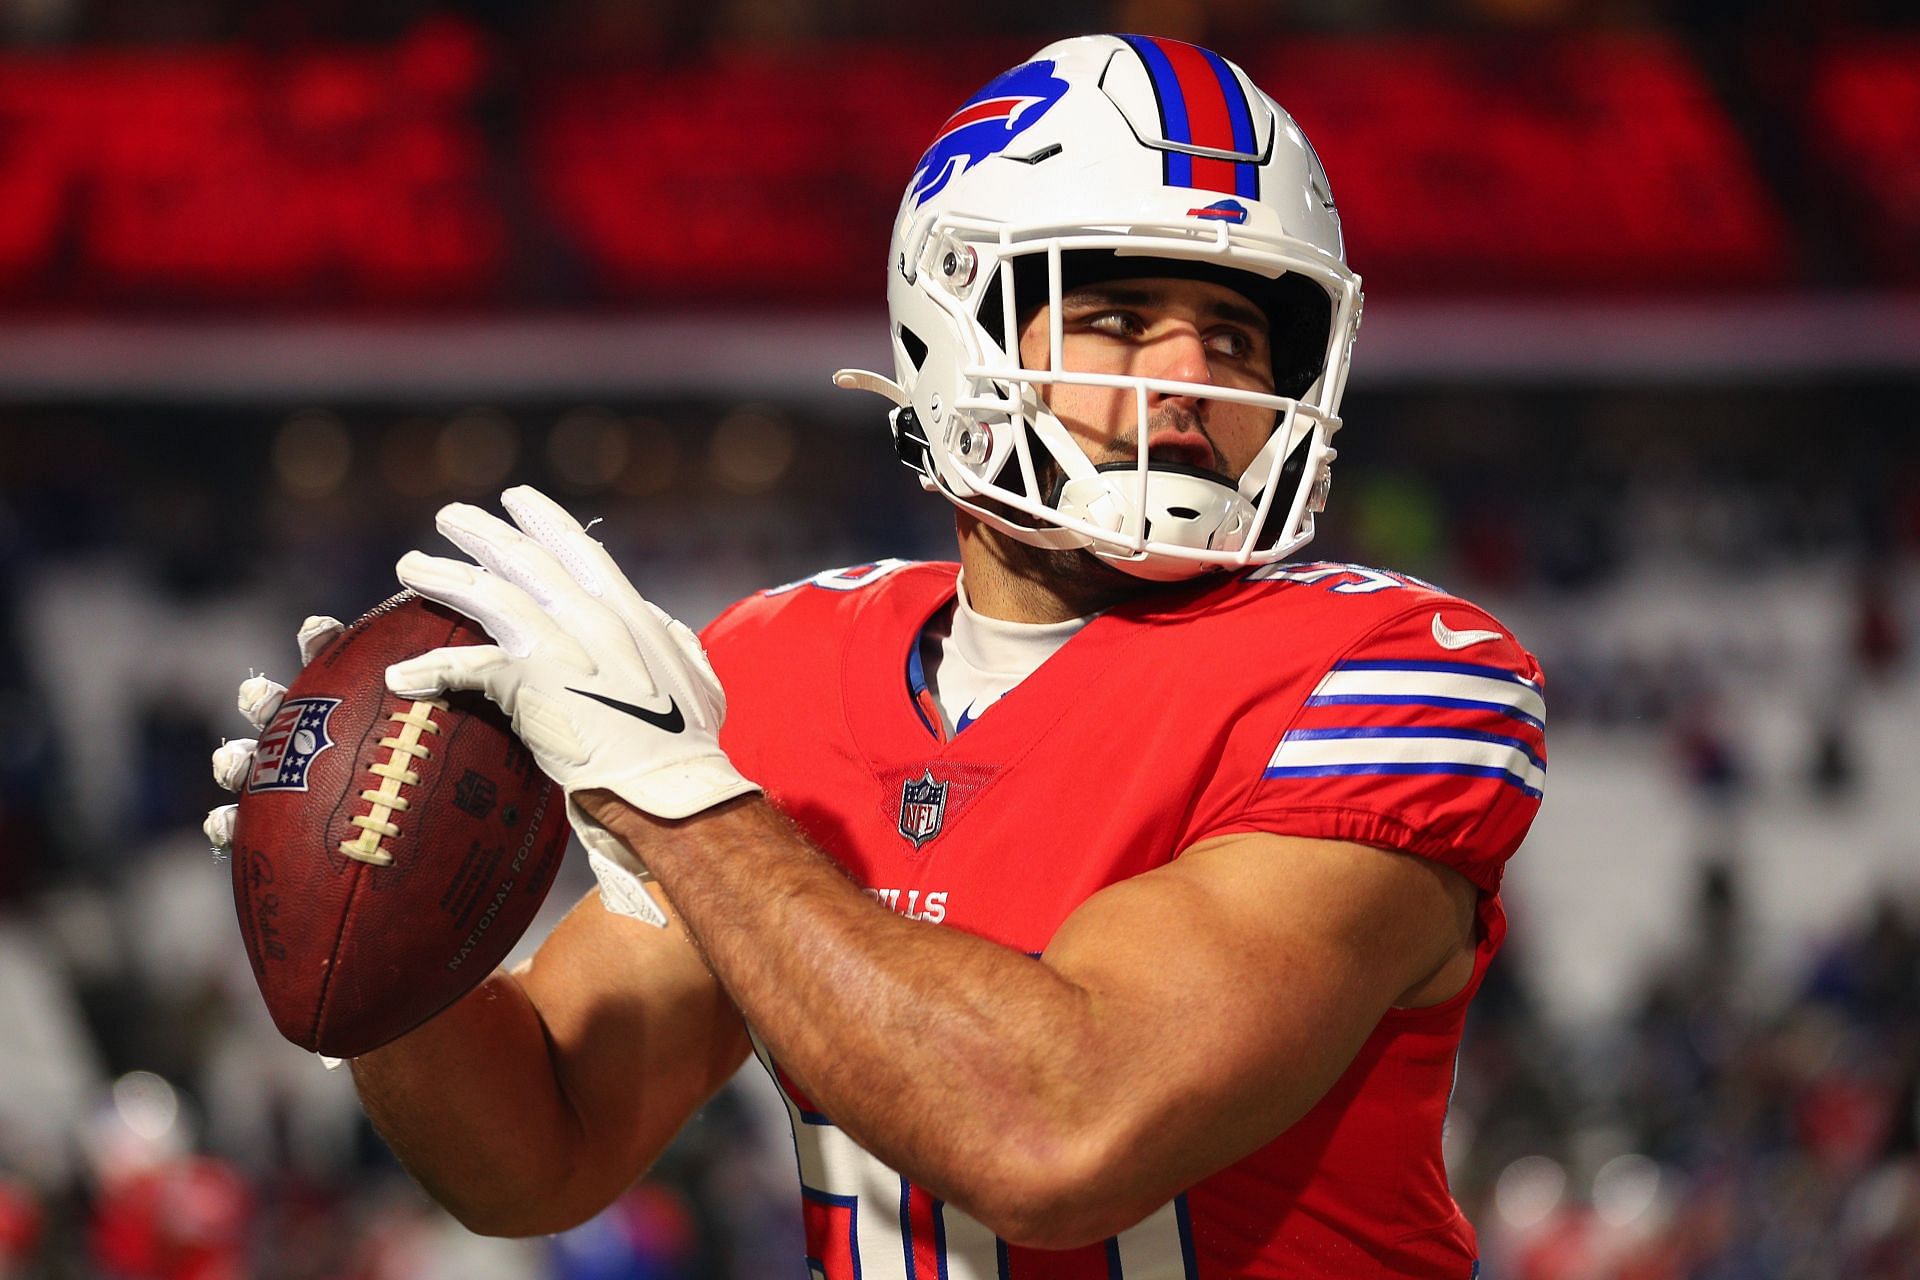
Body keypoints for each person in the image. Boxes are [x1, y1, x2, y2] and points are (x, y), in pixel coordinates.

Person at [208, 34, 1545, 1279]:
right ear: (954, 325)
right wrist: (366, 923)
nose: (1195, 376)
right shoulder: (788, 663)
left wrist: (683, 803)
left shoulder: (1392, 671)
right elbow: (538, 1153)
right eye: (1123, 318)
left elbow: (1062, 1140)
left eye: (1242, 332)